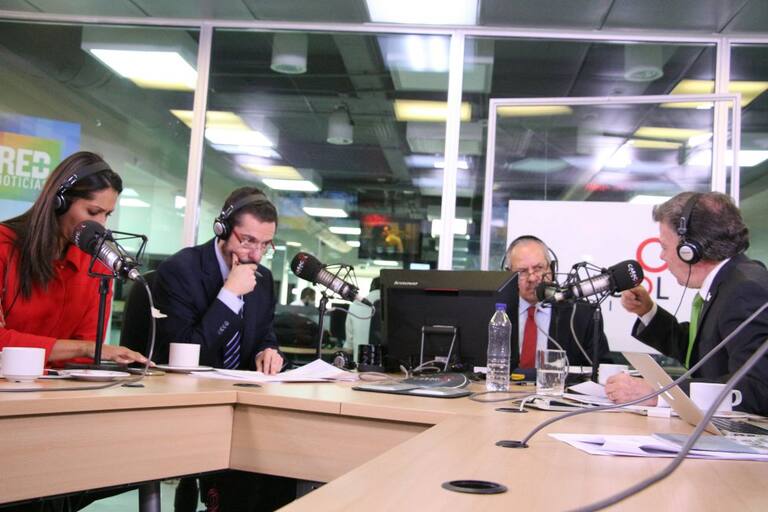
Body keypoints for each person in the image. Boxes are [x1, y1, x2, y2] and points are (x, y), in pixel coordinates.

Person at [154, 186, 292, 512]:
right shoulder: (181, 271)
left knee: (284, 463)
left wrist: (267, 351)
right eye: (248, 240)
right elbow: (187, 353)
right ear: (222, 229)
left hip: (241, 405)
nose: (256, 254)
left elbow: (265, 334)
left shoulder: (262, 279)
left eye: (265, 244)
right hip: (190, 403)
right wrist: (229, 295)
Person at [606, 192, 768, 416]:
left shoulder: (745, 291)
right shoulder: (729, 282)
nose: (662, 257)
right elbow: (702, 353)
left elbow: (757, 388)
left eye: (664, 247)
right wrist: (648, 311)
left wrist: (658, 394)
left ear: (691, 249)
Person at [0, 151, 148, 367]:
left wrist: (84, 349)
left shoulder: (98, 263)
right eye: (93, 212)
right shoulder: (4, 245)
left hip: (60, 385)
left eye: (107, 214)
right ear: (59, 203)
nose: (101, 224)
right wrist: (85, 348)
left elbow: (82, 356)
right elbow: (88, 348)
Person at [503, 236, 609, 373]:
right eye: (522, 271)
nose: (532, 278)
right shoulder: (495, 312)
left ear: (552, 269)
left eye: (538, 268)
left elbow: (602, 369)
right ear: (508, 275)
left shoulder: (582, 313)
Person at [345, 277, 380, 360]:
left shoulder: (355, 305)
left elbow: (349, 346)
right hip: (389, 366)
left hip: (360, 363)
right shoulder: (394, 305)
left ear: (371, 288)